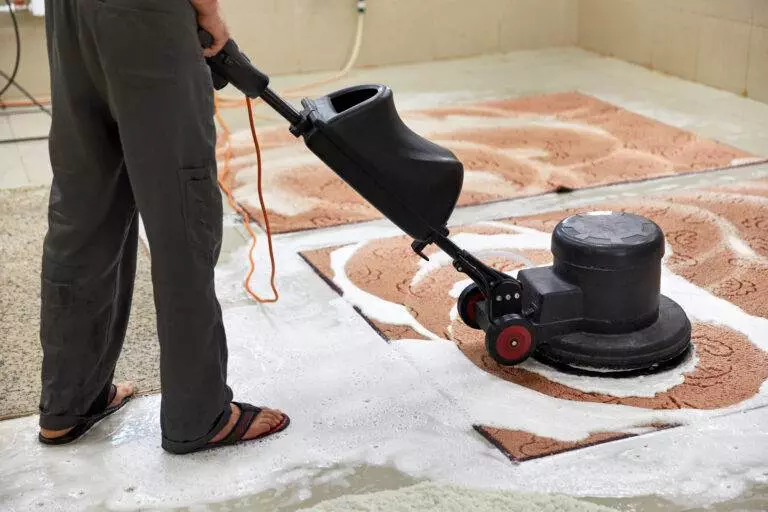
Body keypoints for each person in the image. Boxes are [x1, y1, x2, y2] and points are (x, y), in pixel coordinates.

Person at [37, 0, 289, 454]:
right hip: (144, 16)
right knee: (181, 211)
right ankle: (199, 414)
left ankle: (67, 403)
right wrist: (209, 14)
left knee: (83, 204)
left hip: (68, 14)